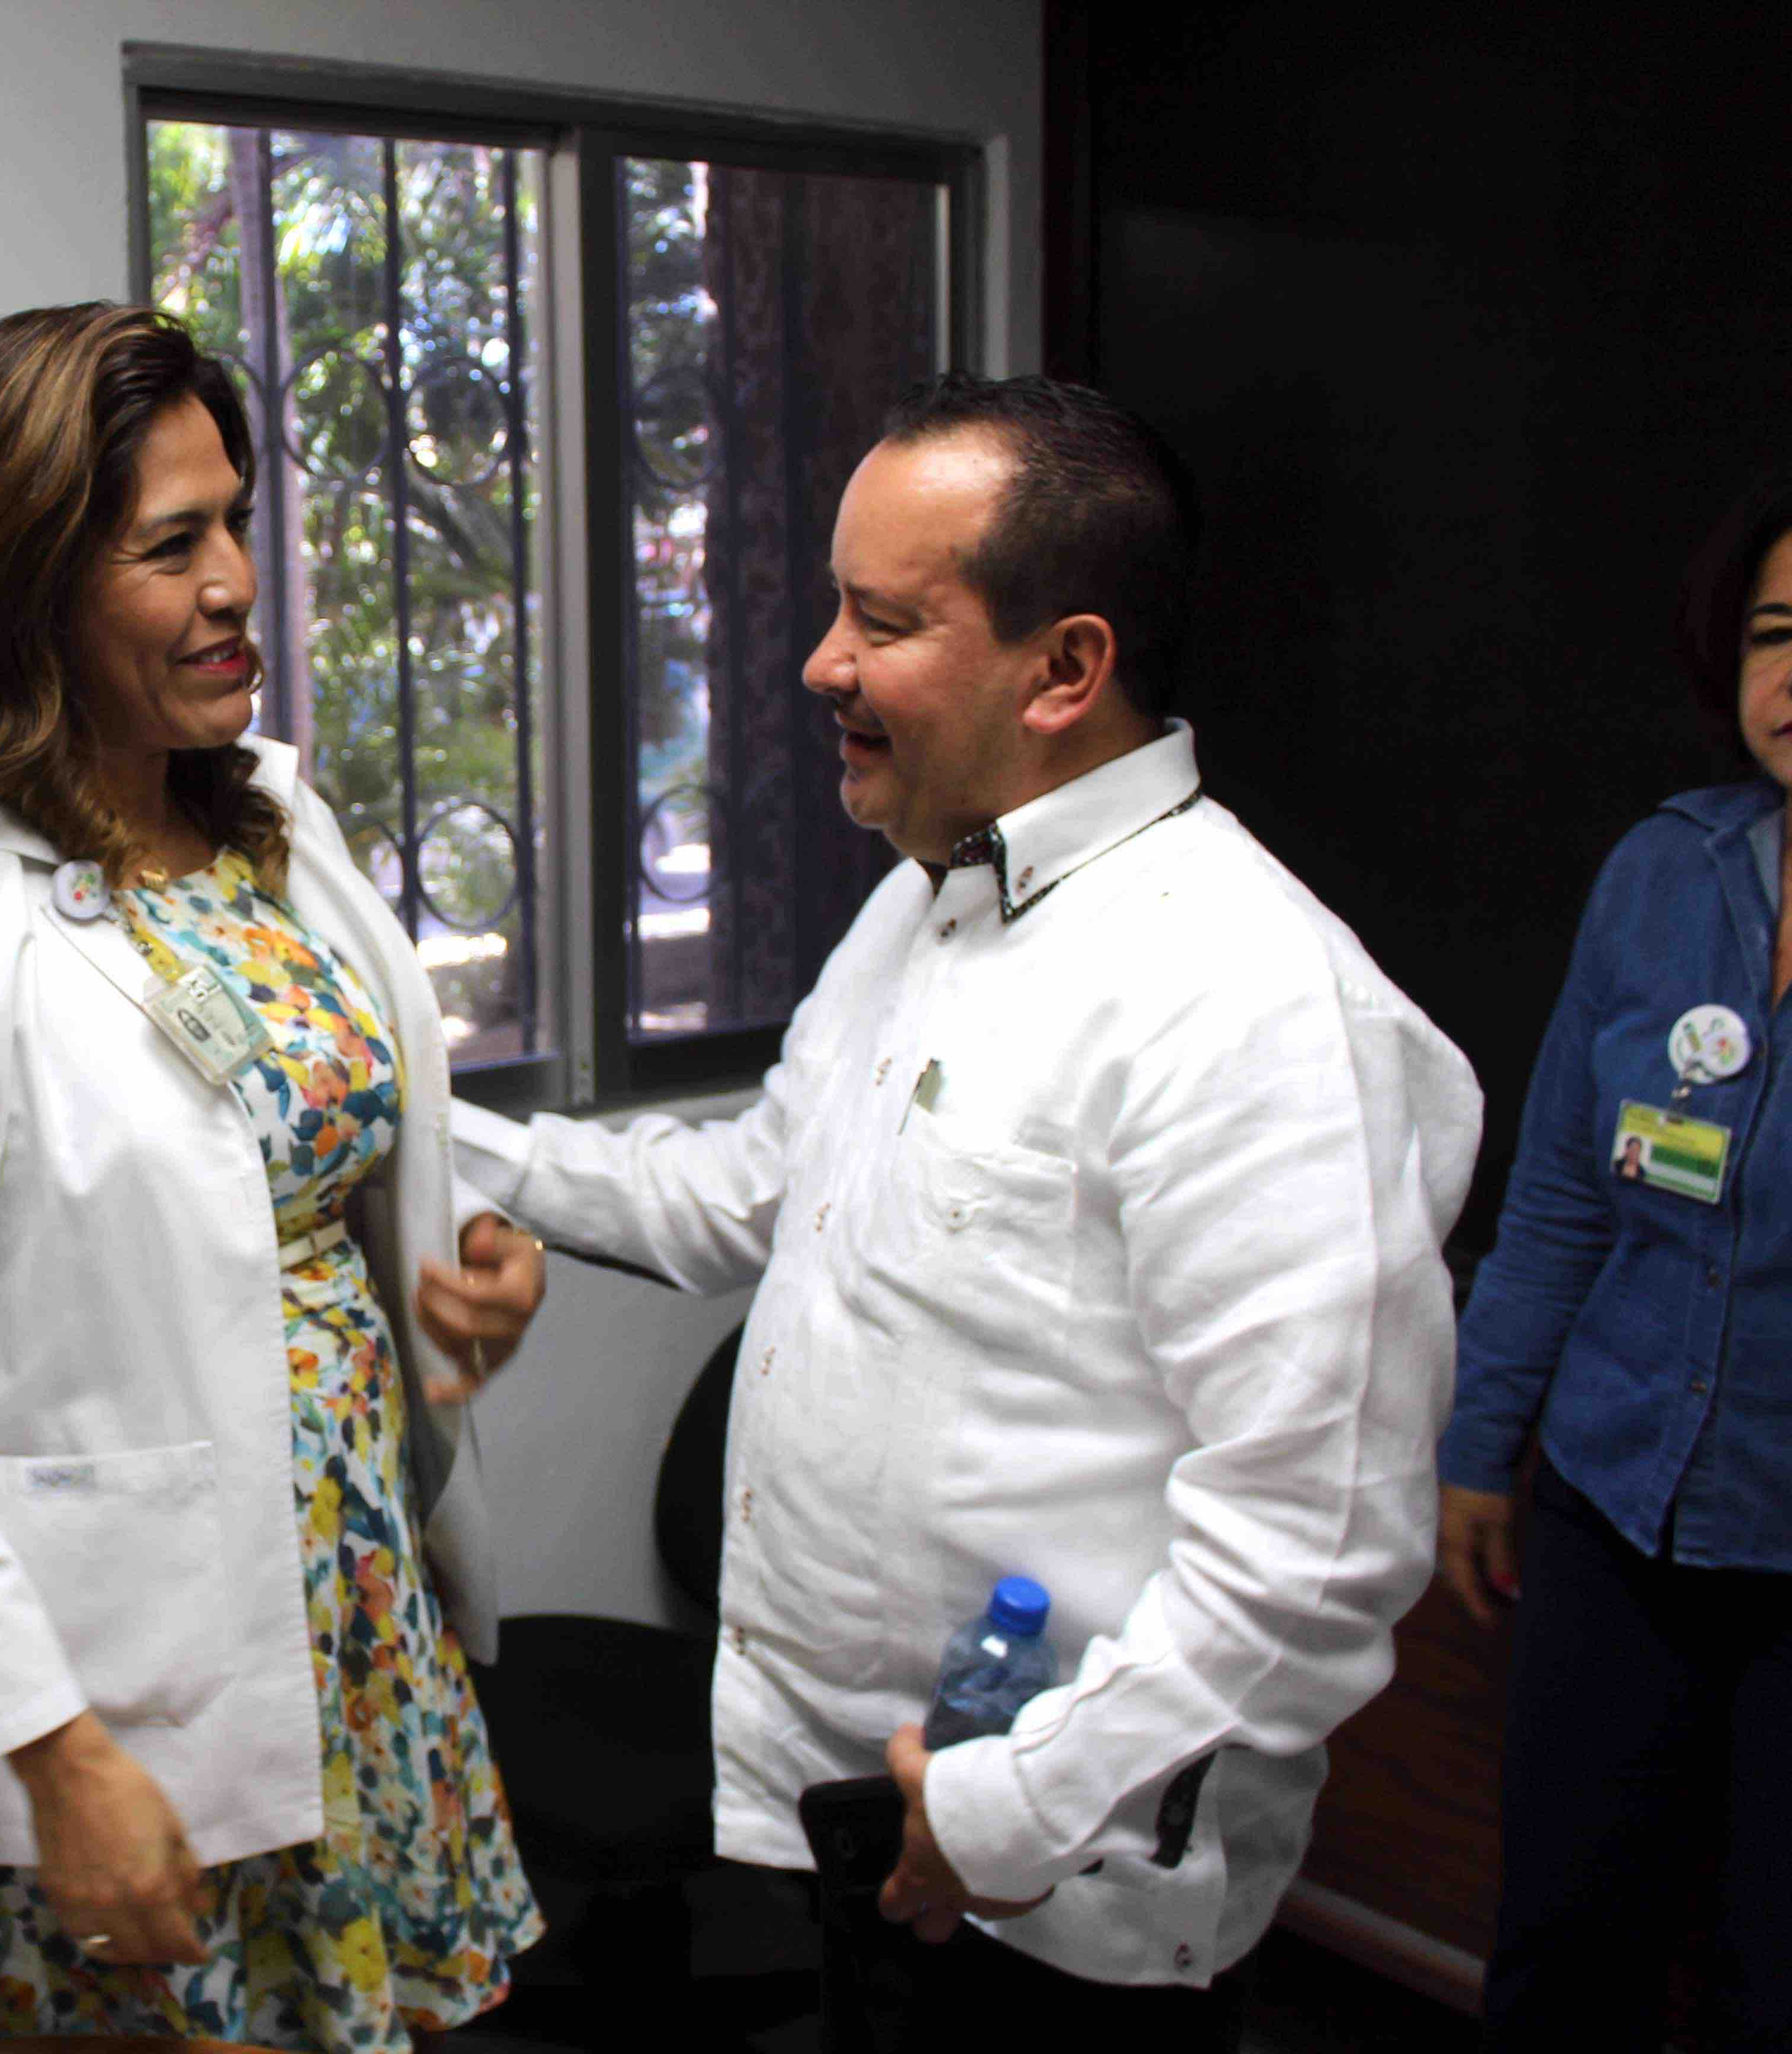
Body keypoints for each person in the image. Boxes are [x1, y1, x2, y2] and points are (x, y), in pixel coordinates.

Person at [450, 373, 1480, 2043]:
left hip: (1048, 1880)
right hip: (843, 1815)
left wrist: (1006, 1810)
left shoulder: (1257, 1003)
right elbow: (747, 1195)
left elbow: (1316, 1551)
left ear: (1065, 668)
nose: (820, 665)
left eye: (882, 622)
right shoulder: (926, 902)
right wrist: (424, 1133)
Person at [0, 303, 548, 2051]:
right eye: (170, 544)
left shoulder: (265, 820)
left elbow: (314, 1136)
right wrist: (55, 1753)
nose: (237, 581)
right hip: (116, 1693)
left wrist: (470, 1245)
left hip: (357, 1613)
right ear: (24, 583)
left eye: (236, 522)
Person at [1437, 471, 1792, 2050]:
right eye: (1778, 634)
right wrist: (1479, 1444)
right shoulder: (1668, 871)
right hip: (1610, 1505)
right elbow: (1564, 1203)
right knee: (1563, 1946)